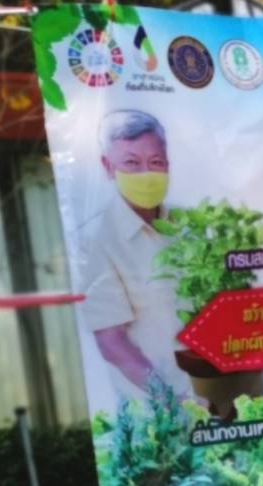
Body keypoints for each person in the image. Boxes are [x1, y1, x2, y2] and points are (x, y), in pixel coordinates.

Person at [79, 110, 189, 401]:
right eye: (131, 163)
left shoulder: (191, 224)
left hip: (222, 393)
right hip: (161, 411)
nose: (146, 174)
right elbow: (111, 341)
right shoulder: (98, 238)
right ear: (108, 166)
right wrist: (174, 401)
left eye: (155, 163)